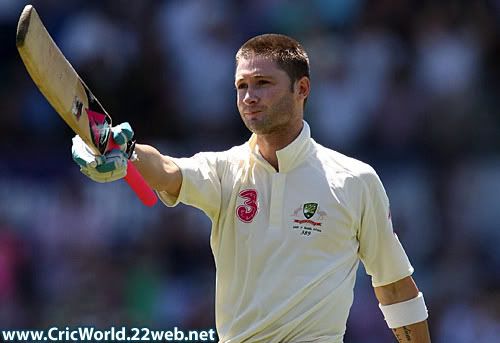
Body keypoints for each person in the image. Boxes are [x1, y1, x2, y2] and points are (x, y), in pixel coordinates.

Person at [72, 34, 431, 343]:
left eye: (262, 83)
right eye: (241, 86)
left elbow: (396, 289)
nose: (249, 96)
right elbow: (167, 169)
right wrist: (126, 152)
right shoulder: (225, 170)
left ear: (301, 88)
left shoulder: (354, 180)